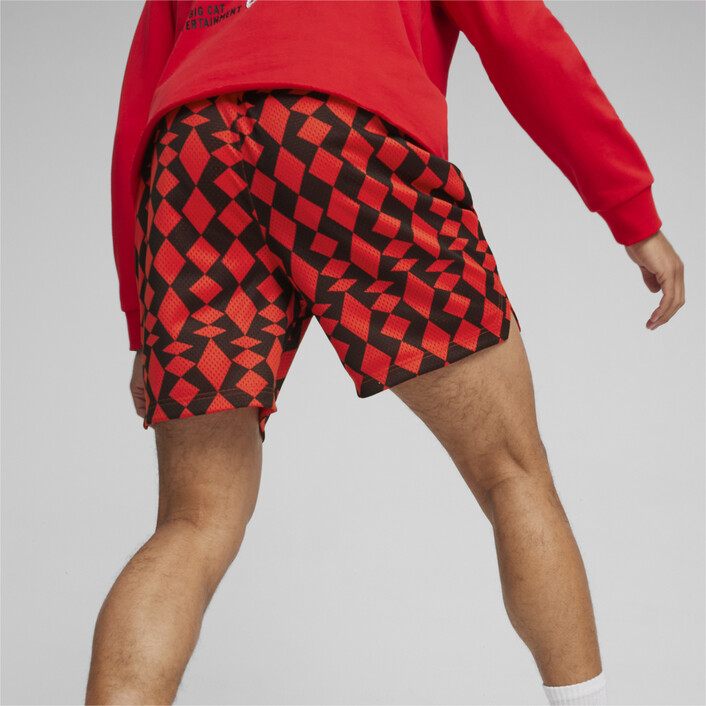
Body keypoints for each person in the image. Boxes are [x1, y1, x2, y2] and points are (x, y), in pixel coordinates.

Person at [86, 1, 685, 703]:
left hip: (189, 155)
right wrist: (631, 211)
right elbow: (519, 32)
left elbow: (135, 116)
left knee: (193, 521)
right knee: (512, 473)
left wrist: (143, 321)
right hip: (336, 127)